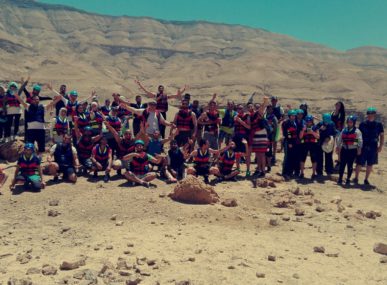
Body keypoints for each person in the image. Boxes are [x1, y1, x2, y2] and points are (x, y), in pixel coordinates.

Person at [15, 79, 58, 154]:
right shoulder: (29, 95)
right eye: (35, 90)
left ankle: (38, 155)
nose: (36, 92)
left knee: (40, 141)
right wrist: (23, 83)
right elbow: (23, 93)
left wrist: (51, 99)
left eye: (38, 91)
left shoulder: (39, 100)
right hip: (28, 112)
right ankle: (27, 143)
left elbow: (45, 98)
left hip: (38, 117)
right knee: (27, 129)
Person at [354, 107, 384, 185]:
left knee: (370, 164)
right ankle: (356, 178)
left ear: (374, 115)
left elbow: (382, 135)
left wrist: (380, 146)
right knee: (359, 163)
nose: (370, 115)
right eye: (369, 114)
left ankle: (366, 179)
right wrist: (356, 146)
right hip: (363, 146)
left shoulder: (379, 125)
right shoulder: (362, 124)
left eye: (372, 114)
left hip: (373, 147)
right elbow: (357, 135)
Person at [336, 115, 362, 185]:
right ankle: (340, 178)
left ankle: (348, 179)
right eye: (348, 122)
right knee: (342, 164)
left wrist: (358, 148)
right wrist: (337, 147)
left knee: (350, 165)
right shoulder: (344, 130)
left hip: (352, 150)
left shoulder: (357, 131)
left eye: (351, 122)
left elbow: (359, 140)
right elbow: (340, 139)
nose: (349, 123)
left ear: (353, 123)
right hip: (344, 149)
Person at [249, 106, 270, 177]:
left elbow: (268, 129)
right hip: (256, 137)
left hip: (262, 138)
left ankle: (263, 170)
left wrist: (264, 103)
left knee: (262, 154)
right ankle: (259, 169)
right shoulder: (253, 118)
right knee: (257, 154)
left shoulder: (264, 120)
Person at [299, 115, 320, 179]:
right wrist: (303, 130)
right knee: (302, 159)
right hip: (304, 144)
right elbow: (300, 137)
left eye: (310, 121)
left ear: (312, 121)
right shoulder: (303, 127)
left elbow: (318, 137)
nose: (309, 123)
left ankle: (313, 173)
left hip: (313, 144)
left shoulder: (315, 127)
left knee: (314, 159)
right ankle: (301, 173)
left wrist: (312, 132)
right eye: (307, 121)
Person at [233, 104, 250, 171]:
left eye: (241, 108)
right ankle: (238, 168)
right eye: (238, 108)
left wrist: (240, 121)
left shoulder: (247, 116)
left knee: (246, 154)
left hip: (244, 136)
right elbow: (234, 128)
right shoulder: (235, 116)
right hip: (236, 136)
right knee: (237, 153)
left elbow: (249, 127)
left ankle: (248, 170)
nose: (240, 110)